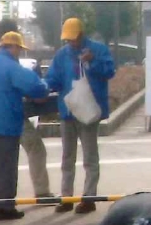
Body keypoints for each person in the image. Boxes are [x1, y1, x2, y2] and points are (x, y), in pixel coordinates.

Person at [0, 32, 50, 221]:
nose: (19, 54)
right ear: (13, 47)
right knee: (6, 166)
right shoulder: (11, 66)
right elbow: (36, 87)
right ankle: (6, 207)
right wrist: (45, 88)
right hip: (5, 122)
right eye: (19, 49)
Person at [46, 18, 116, 214]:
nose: (71, 42)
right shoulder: (62, 54)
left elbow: (110, 71)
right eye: (68, 39)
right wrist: (44, 87)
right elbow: (53, 78)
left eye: (73, 38)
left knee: (90, 157)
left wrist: (93, 61)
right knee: (67, 157)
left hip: (88, 112)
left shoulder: (98, 50)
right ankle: (67, 197)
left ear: (81, 34)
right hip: (68, 111)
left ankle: (89, 198)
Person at [0, 18, 54, 200]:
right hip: (12, 116)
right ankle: (42, 192)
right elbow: (36, 89)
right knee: (36, 148)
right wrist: (42, 91)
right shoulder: (11, 64)